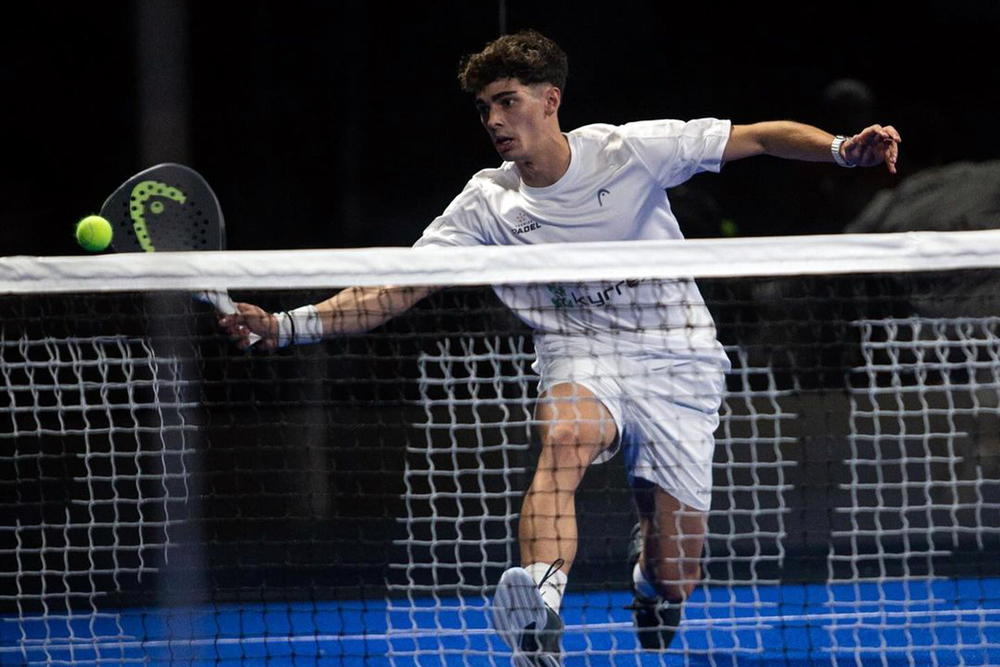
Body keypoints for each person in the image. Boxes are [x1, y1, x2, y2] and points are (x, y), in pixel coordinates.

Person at [221, 29, 900, 667]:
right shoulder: (486, 202)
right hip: (579, 350)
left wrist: (842, 148)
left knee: (676, 575)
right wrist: (286, 325)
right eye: (485, 107)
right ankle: (540, 607)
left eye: (507, 102)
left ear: (550, 101)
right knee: (565, 435)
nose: (493, 119)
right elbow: (398, 289)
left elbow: (754, 138)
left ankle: (650, 578)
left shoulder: (628, 151)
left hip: (678, 353)